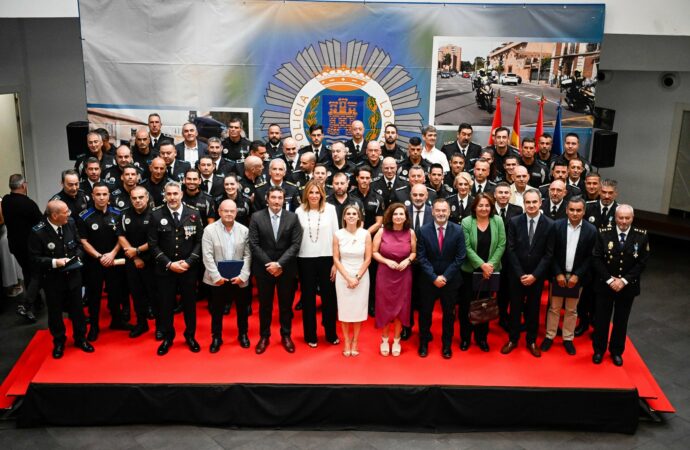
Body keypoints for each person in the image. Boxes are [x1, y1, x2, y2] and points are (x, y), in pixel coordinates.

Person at [28, 200, 94, 359]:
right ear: (54, 215)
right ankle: (59, 342)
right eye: (66, 212)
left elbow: (79, 245)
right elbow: (34, 259)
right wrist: (54, 262)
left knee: (78, 311)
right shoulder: (38, 232)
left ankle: (80, 338)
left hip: (73, 277)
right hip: (53, 280)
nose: (69, 214)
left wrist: (76, 258)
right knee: (55, 312)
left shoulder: (70, 223)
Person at [148, 181, 204, 356]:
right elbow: (153, 244)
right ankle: (168, 337)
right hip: (165, 270)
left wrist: (189, 262)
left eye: (175, 194)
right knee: (165, 305)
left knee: (189, 306)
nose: (172, 197)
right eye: (168, 194)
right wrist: (169, 264)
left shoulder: (193, 213)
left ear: (181, 194)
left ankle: (190, 336)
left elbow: (200, 242)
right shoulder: (156, 214)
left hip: (189, 269)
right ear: (164, 195)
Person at [591, 205, 649, 366]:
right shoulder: (603, 233)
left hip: (627, 287)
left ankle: (616, 351)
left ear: (632, 218)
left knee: (621, 321)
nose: (624, 221)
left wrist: (623, 281)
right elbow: (596, 258)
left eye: (627, 218)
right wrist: (610, 280)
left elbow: (642, 262)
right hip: (605, 285)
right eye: (621, 218)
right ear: (615, 218)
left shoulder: (641, 236)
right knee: (601, 320)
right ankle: (599, 350)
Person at [248, 186, 303, 354]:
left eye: (280, 198)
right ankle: (264, 336)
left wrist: (279, 264)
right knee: (265, 306)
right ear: (267, 199)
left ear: (284, 200)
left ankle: (286, 335)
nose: (277, 201)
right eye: (274, 197)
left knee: (286, 305)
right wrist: (270, 265)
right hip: (264, 270)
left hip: (286, 269)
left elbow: (295, 244)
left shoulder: (293, 218)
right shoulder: (256, 217)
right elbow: (254, 244)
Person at [501, 189, 555, 358]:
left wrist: (534, 275)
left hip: (536, 277)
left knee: (533, 309)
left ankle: (531, 341)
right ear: (523, 204)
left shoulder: (550, 224)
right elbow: (510, 250)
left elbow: (549, 254)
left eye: (534, 202)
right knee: (515, 308)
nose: (531, 205)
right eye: (528, 202)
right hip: (517, 275)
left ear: (540, 203)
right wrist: (520, 274)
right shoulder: (514, 221)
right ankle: (513, 339)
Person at [541, 197, 597, 355]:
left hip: (576, 278)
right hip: (558, 275)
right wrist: (558, 273)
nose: (575, 213)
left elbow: (590, 257)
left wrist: (577, 275)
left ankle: (568, 338)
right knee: (554, 308)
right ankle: (549, 336)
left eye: (578, 210)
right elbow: (550, 252)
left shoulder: (591, 230)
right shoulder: (556, 226)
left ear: (584, 212)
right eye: (572, 210)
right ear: (566, 210)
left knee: (572, 310)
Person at [78, 183, 130, 341]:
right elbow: (83, 241)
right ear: (92, 196)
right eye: (98, 194)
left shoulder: (118, 214)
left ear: (109, 196)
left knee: (116, 292)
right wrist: (100, 257)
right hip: (94, 262)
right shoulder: (84, 216)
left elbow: (122, 238)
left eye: (104, 194)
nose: (101, 197)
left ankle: (117, 321)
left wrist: (112, 255)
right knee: (94, 296)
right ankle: (94, 326)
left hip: (114, 261)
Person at [416, 198, 466, 359]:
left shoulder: (458, 230)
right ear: (432, 212)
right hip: (428, 281)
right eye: (438, 210)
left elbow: (460, 257)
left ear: (449, 212)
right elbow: (421, 257)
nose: (441, 213)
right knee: (425, 313)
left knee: (449, 315)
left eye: (444, 210)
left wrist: (444, 277)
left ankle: (446, 345)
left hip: (450, 281)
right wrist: (433, 277)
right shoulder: (423, 230)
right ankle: (423, 343)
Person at [202, 199, 252, 353]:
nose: (229, 214)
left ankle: (243, 334)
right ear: (219, 212)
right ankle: (216, 337)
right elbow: (207, 256)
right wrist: (216, 276)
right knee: (216, 310)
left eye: (232, 211)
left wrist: (243, 275)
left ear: (236, 212)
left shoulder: (244, 230)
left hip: (239, 278)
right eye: (225, 211)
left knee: (242, 309)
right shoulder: (209, 230)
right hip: (217, 279)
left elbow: (248, 255)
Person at [295, 180, 340, 347]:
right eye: (311, 192)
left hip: (327, 258)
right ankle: (310, 335)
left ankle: (330, 333)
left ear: (322, 194)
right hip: (305, 258)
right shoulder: (299, 211)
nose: (314, 196)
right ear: (306, 194)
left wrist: (336, 262)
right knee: (308, 299)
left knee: (329, 298)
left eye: (317, 192)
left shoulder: (331, 210)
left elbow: (337, 236)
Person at [459, 193, 506, 352]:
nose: (484, 208)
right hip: (469, 272)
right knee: (466, 306)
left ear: (491, 207)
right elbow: (466, 247)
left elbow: (501, 244)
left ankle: (481, 338)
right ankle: (465, 338)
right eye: (480, 205)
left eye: (487, 205)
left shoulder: (497, 221)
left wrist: (490, 265)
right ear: (474, 207)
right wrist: (481, 265)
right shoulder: (466, 222)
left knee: (484, 306)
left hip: (489, 273)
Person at [372, 203, 416, 356]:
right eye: (395, 214)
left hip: (403, 274)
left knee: (401, 308)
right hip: (385, 273)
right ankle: (384, 339)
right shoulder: (382, 231)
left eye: (401, 214)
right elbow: (374, 252)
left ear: (406, 216)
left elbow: (414, 253)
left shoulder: (410, 232)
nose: (398, 217)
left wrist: (408, 261)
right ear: (390, 216)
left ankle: (396, 340)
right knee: (385, 307)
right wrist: (386, 261)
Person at [117, 186, 156, 338]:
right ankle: (141, 324)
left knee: (155, 295)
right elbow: (121, 237)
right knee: (136, 294)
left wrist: (138, 251)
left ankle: (160, 326)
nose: (138, 201)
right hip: (131, 261)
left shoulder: (155, 214)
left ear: (147, 198)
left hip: (152, 260)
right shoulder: (124, 214)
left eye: (141, 197)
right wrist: (135, 257)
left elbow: (155, 240)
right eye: (134, 198)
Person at [3, 174, 43, 322]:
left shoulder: (6, 201)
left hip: (15, 245)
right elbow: (40, 222)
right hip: (30, 246)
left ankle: (36, 302)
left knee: (28, 272)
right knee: (34, 275)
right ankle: (28, 306)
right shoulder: (28, 204)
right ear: (23, 186)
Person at [333, 205, 372, 356]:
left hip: (361, 276)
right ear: (344, 217)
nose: (350, 216)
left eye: (354, 214)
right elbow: (336, 258)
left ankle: (355, 341)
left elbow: (368, 258)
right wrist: (348, 278)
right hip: (343, 276)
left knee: (358, 311)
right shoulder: (337, 234)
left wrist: (356, 278)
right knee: (345, 311)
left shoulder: (365, 234)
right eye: (348, 214)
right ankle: (346, 342)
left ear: (358, 217)